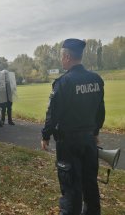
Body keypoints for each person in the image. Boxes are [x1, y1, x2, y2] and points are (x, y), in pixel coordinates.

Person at [41, 38, 105, 215]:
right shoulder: (96, 79)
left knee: (71, 189)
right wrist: (96, 132)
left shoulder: (64, 83)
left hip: (69, 143)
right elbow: (100, 111)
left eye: (62, 57)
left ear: (67, 57)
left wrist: (45, 136)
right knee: (90, 185)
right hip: (89, 141)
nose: (61, 60)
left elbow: (53, 114)